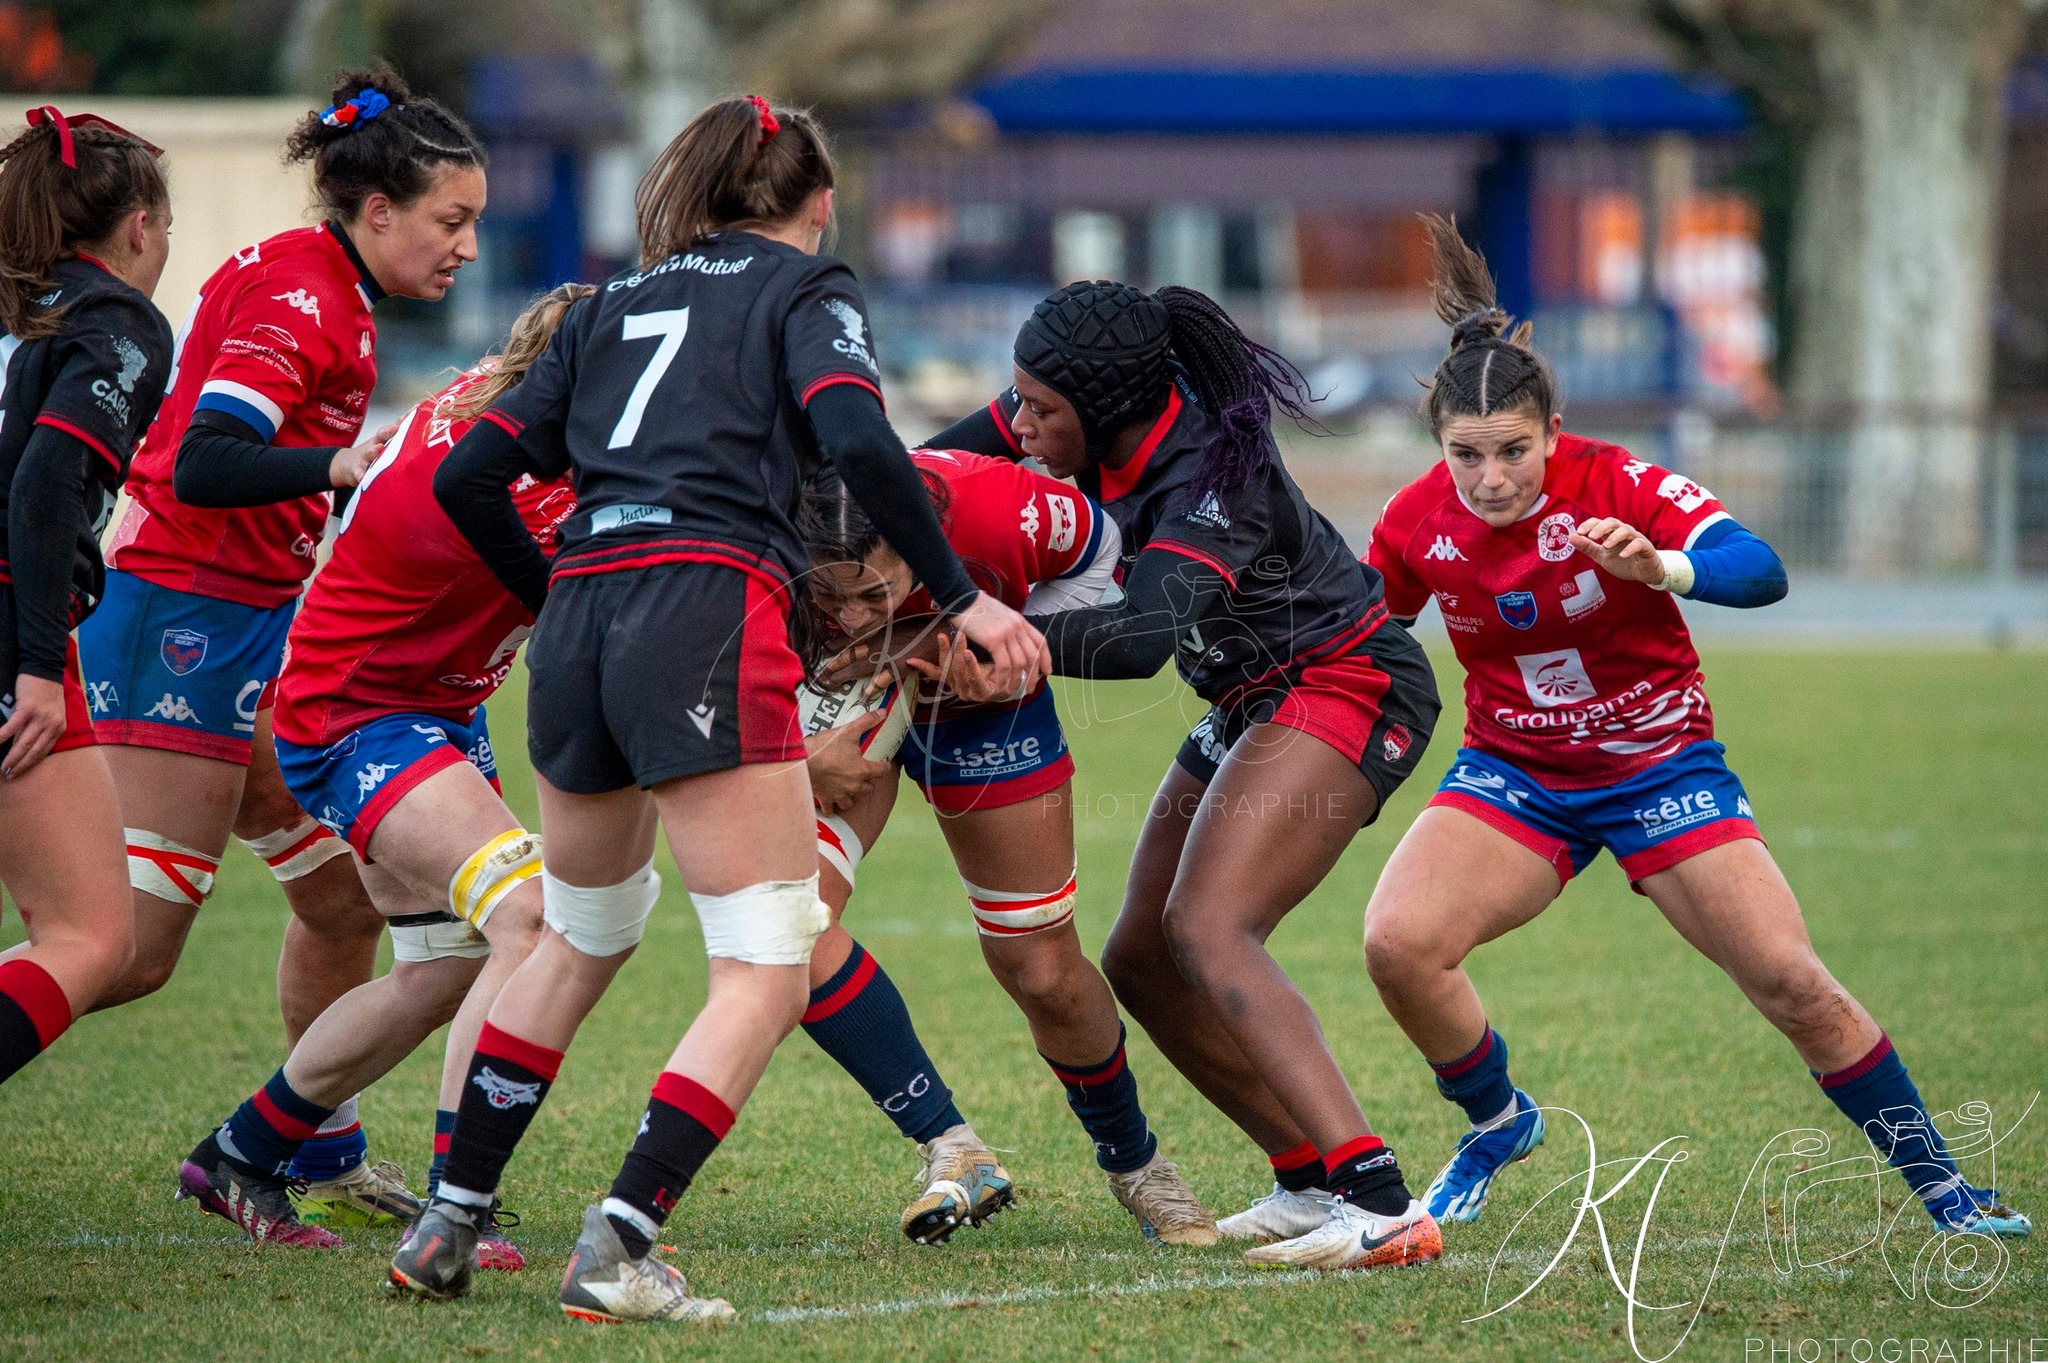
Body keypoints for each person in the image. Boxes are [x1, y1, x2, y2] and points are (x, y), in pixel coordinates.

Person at [389, 95, 1045, 1324]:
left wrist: (555, 595)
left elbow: (470, 473)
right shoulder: (806, 283)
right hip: (702, 607)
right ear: (818, 201)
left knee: (580, 936)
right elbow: (856, 435)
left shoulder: (606, 303)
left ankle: (446, 1220)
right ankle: (619, 1245)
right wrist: (960, 597)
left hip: (581, 620)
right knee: (767, 960)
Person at [1360, 215, 2030, 1240]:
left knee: (1790, 982)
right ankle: (1498, 1120)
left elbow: (1760, 568)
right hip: (1515, 771)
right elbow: (1362, 632)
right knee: (1398, 943)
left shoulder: (1615, 482)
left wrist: (1661, 567)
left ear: (1553, 433)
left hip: (1660, 768)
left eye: (1513, 451)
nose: (1490, 478)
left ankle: (1947, 1192)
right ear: (1437, 446)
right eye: (1466, 455)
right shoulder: (1415, 520)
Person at [926, 282, 1446, 1272]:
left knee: (1209, 926)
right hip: (1250, 694)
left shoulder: (1211, 467)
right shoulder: (1073, 408)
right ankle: (1307, 1178)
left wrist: (986, 635)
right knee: (1139, 958)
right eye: (1017, 398)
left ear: (1105, 408)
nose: (1018, 424)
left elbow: (1141, 638)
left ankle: (1380, 1203)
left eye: (1038, 408)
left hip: (1345, 677)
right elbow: (929, 473)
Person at [74, 65, 486, 1220]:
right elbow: (206, 461)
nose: (464, 247)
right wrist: (343, 465)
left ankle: (309, 1153)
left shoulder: (330, 286)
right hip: (181, 620)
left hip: (251, 623)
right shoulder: (305, 296)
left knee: (343, 900)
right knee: (125, 949)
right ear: (379, 210)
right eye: (451, 220)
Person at [174, 286, 588, 1260]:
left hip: (421, 703)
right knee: (529, 918)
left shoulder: (489, 400)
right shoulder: (532, 479)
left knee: (442, 966)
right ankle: (456, 1203)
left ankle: (241, 1153)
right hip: (359, 713)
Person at [795, 448, 1216, 1248]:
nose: (851, 615)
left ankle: (1136, 1162)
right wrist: (794, 757)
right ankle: (953, 1145)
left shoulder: (996, 509)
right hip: (835, 698)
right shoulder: (762, 532)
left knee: (1042, 967)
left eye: (873, 593)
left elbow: (1098, 549)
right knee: (789, 920)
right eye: (828, 596)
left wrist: (1015, 652)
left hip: (982, 706)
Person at [0, 107, 173, 1087]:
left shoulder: (19, 306)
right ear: (139, 227)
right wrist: (34, 664)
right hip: (11, 621)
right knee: (91, 935)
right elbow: (47, 478)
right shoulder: (115, 318)